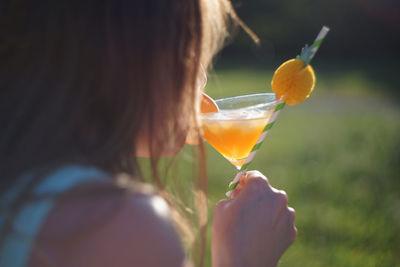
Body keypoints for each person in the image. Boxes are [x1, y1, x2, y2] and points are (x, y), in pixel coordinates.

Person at [0, 0, 297, 266]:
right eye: (191, 45)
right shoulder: (115, 224)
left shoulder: (20, 185)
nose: (202, 76)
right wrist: (244, 258)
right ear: (128, 51)